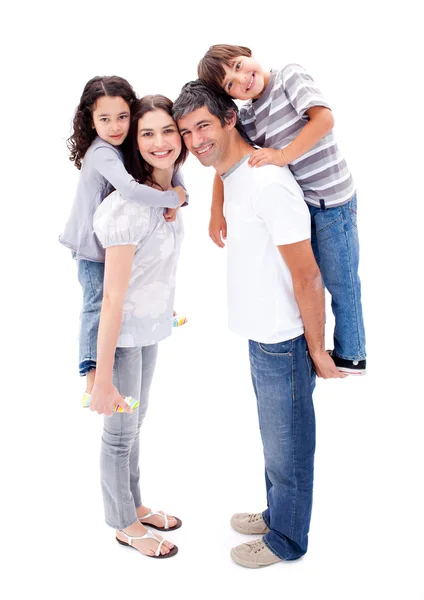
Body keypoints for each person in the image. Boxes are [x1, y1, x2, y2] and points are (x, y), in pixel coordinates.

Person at [173, 80, 344, 568]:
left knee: (288, 447)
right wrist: (212, 210)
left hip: (283, 340)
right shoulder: (235, 173)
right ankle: (277, 514)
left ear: (230, 118)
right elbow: (224, 173)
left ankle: (287, 539)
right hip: (259, 333)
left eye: (203, 125)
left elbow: (308, 276)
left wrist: (316, 349)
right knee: (275, 441)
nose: (194, 140)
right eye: (185, 132)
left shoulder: (269, 184)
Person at [197, 45, 366, 375]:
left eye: (239, 65)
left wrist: (283, 155)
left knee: (341, 279)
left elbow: (324, 119)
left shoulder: (289, 75)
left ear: (247, 53)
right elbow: (227, 157)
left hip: (333, 203)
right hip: (304, 205)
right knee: (307, 276)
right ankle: (320, 342)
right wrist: (216, 208)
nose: (242, 79)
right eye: (230, 84)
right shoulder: (249, 117)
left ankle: (353, 353)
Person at [88, 94, 188, 558]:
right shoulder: (127, 209)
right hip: (123, 338)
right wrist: (101, 377)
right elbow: (111, 298)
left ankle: (134, 503)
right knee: (121, 432)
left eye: (168, 130)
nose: (160, 141)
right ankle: (124, 523)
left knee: (137, 423)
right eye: (146, 133)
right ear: (134, 142)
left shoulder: (169, 196)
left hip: (148, 333)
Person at [59, 76, 188, 402]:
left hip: (113, 241)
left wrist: (180, 190)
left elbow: (171, 165)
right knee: (98, 304)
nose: (115, 126)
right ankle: (90, 373)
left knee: (145, 269)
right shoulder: (103, 152)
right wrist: (172, 200)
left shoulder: (130, 143)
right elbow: (130, 190)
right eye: (105, 119)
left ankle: (162, 310)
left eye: (122, 117)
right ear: (90, 119)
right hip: (90, 246)